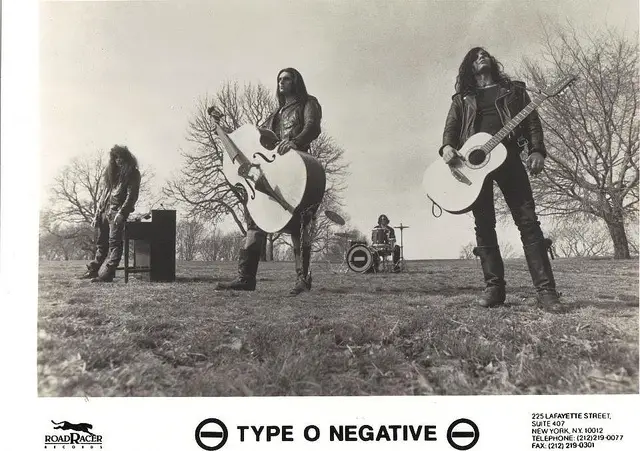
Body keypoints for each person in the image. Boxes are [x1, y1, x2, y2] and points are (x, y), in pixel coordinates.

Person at [439, 47, 561, 309]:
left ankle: (547, 292)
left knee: (528, 223)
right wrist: (446, 147)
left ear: (492, 61)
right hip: (474, 167)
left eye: (484, 54)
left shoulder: (514, 90)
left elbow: (532, 124)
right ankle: (494, 289)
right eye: (475, 57)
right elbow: (451, 129)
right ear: (469, 68)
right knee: (483, 226)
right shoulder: (462, 99)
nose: (481, 57)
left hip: (510, 160)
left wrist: (537, 150)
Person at [215, 67, 322, 295]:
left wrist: (295, 141)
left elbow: (313, 127)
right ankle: (246, 278)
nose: (282, 83)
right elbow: (263, 143)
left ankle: (303, 280)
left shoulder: (308, 103)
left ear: (296, 82)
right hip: (275, 171)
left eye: (287, 79)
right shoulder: (276, 114)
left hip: (298, 170)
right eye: (279, 79)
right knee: (255, 219)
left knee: (299, 223)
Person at [78, 145, 141, 282]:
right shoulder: (112, 174)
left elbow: (132, 196)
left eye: (120, 157)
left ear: (126, 158)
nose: (118, 160)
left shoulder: (133, 173)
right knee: (101, 243)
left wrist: (122, 213)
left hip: (116, 212)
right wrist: (97, 214)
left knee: (114, 244)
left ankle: (107, 274)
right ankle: (94, 271)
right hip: (104, 212)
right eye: (115, 158)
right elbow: (104, 195)